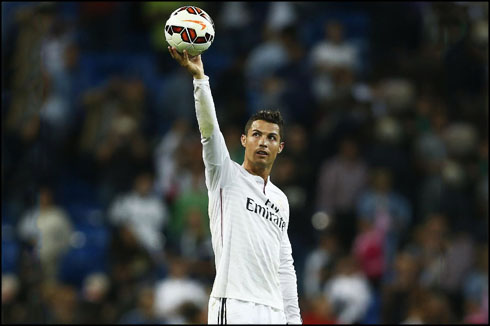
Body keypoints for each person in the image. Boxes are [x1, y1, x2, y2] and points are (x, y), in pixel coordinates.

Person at [168, 46, 302, 324]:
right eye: (256, 134)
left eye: (271, 137)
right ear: (244, 141)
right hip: (235, 304)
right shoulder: (225, 176)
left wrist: (293, 319)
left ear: (280, 147)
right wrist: (200, 80)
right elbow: (209, 132)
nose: (263, 142)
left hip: (274, 312)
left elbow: (285, 267)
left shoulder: (280, 200)